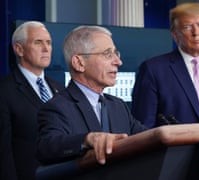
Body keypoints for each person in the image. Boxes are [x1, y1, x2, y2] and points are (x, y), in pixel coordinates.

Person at [36, 25, 147, 167]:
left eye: (115, 53)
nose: (118, 62)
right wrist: (87, 139)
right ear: (79, 63)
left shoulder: (118, 106)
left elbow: (147, 137)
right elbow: (47, 147)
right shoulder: (57, 108)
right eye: (107, 54)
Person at [131, 2, 199, 128]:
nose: (196, 32)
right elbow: (143, 128)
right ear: (175, 34)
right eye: (187, 27)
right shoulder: (154, 70)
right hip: (177, 147)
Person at [0, 21, 64, 180]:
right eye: (38, 42)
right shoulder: (4, 90)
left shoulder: (60, 89)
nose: (46, 48)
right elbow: (3, 153)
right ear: (19, 49)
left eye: (49, 43)